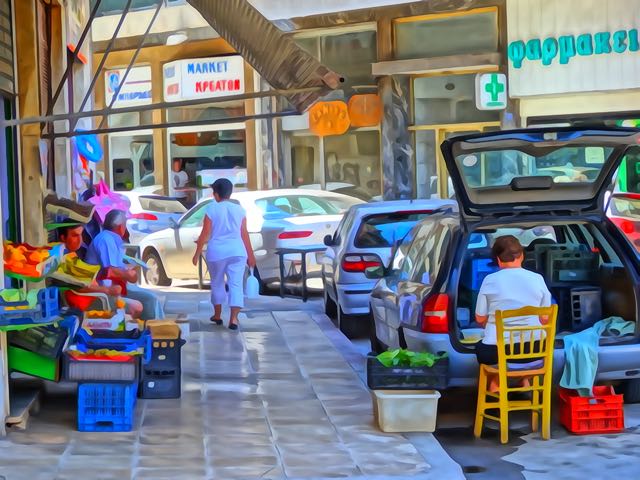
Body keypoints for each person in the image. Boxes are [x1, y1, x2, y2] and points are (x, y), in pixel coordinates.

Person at [475, 235, 552, 392]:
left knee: (483, 349)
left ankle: (496, 385)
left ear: (498, 259)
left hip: (498, 352)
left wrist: (488, 324)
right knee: (522, 356)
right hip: (536, 352)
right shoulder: (538, 279)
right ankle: (523, 381)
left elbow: (479, 318)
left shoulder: (490, 280)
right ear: (522, 255)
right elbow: (545, 318)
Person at [192, 178, 256, 330]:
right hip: (238, 252)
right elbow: (244, 234)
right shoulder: (240, 210)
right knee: (236, 284)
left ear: (215, 194)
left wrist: (197, 252)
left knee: (217, 283)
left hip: (217, 252)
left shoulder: (212, 209)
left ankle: (218, 315)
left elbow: (204, 234)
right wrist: (251, 255)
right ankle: (233, 319)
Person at [86, 209, 165, 320]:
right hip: (104, 292)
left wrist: (128, 271)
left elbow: (115, 269)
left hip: (115, 288)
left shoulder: (110, 239)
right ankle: (152, 331)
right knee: (145, 303)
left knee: (151, 299)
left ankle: (157, 330)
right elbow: (109, 271)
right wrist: (128, 274)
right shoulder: (105, 239)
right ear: (120, 227)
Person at [58, 221, 122, 298]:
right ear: (63, 238)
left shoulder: (73, 253)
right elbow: (76, 285)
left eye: (81, 234)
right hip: (77, 298)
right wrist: (107, 290)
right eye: (75, 235)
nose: (80, 240)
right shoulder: (63, 257)